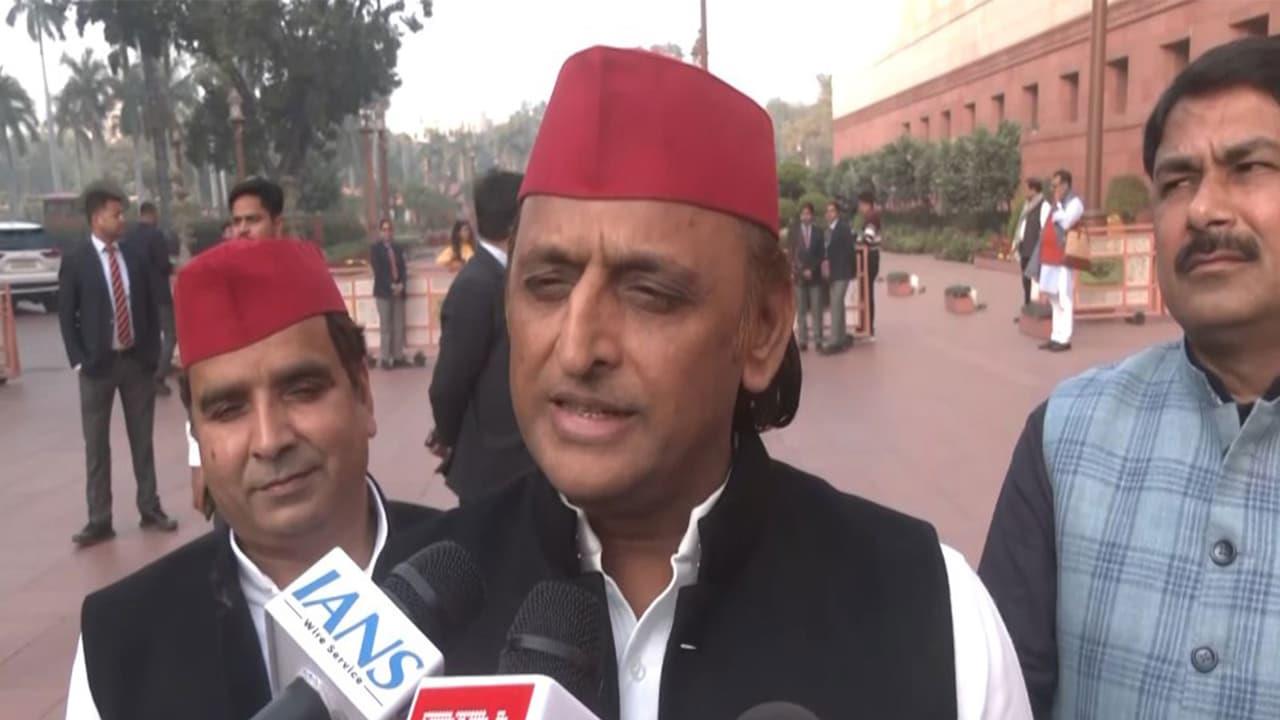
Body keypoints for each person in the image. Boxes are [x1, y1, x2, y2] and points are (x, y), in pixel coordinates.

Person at [392, 46, 1031, 720]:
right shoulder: (402, 615)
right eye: (546, 284)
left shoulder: (932, 618)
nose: (577, 349)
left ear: (763, 324)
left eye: (648, 293)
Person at [979, 36, 1280, 719]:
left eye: (1248, 167)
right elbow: (999, 694)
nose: (1203, 210)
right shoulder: (1066, 436)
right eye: (1177, 182)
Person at [64, 237, 439, 719]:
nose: (269, 439)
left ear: (362, 394)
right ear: (197, 433)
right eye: (228, 409)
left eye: (301, 390)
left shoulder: (486, 571)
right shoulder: (121, 642)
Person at [57, 181, 177, 547]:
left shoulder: (134, 254)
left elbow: (149, 304)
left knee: (143, 440)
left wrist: (152, 354)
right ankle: (99, 519)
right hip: (97, 368)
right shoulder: (77, 259)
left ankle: (150, 508)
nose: (122, 219)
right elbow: (66, 315)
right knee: (96, 447)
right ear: (97, 218)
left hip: (135, 363)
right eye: (116, 214)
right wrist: (79, 361)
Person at [426, 170, 536, 503]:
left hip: (527, 461)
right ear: (519, 220)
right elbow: (448, 384)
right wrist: (447, 434)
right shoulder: (476, 286)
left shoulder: (517, 275)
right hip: (493, 468)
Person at [122, 201, 176, 396]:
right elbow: (162, 264)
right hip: (158, 293)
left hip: (136, 295)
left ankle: (142, 374)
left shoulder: (129, 236)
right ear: (153, 214)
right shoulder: (156, 235)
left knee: (144, 335)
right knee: (170, 334)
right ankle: (158, 375)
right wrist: (172, 268)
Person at [1036, 170, 1083, 352]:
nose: (1053, 189)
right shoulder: (1056, 204)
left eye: (1056, 185)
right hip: (1049, 257)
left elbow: (1066, 223)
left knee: (1064, 298)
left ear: (1065, 185)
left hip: (1063, 258)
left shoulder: (1075, 203)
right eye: (1052, 186)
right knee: (1053, 298)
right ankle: (1056, 335)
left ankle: (1065, 339)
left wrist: (1058, 212)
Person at [370, 217, 409, 369]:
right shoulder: (375, 249)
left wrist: (402, 284)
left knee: (399, 325)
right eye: (384, 230)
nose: (387, 232)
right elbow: (378, 271)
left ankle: (398, 357)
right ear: (380, 232)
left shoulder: (398, 248)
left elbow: (403, 269)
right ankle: (385, 358)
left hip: (399, 291)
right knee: (385, 326)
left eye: (389, 229)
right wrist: (391, 285)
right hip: (383, 292)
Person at [788, 202, 825, 351]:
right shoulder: (793, 232)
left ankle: (818, 339)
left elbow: (821, 254)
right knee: (801, 310)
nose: (805, 216)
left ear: (812, 215)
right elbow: (791, 253)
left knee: (817, 310)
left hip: (815, 276)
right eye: (803, 214)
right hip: (799, 277)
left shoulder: (818, 232)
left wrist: (811, 269)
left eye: (808, 213)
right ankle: (803, 340)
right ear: (800, 215)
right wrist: (800, 270)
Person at [821, 200, 856, 354]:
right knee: (838, 305)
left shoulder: (843, 228)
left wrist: (852, 271)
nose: (829, 214)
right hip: (831, 273)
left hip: (843, 272)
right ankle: (841, 338)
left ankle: (834, 341)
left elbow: (850, 251)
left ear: (837, 213)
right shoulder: (827, 231)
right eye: (827, 211)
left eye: (832, 211)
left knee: (835, 304)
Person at [1012, 179, 1049, 314]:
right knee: (1026, 279)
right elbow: (1021, 225)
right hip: (1025, 247)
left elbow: (1045, 229)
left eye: (1026, 189)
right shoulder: (1027, 205)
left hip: (1035, 248)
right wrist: (1017, 242)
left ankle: (1039, 309)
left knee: (1036, 280)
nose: (1024, 192)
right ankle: (1027, 306)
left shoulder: (1044, 206)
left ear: (1033, 190)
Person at [856, 190, 882, 340]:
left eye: (860, 204)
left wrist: (857, 240)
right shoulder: (871, 216)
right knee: (866, 292)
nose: (859, 207)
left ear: (866, 204)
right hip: (871, 258)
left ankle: (869, 328)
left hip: (870, 258)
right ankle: (866, 326)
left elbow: (867, 239)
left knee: (867, 293)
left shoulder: (871, 217)